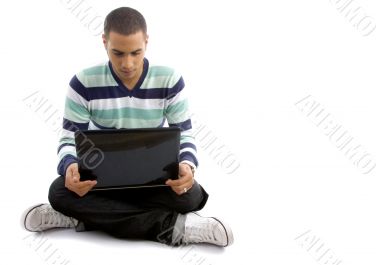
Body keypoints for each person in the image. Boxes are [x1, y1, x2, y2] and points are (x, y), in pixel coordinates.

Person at [21, 7, 233, 247]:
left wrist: (186, 165)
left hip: (154, 182)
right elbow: (69, 139)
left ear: (147, 42)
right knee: (59, 191)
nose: (128, 63)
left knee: (191, 196)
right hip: (101, 184)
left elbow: (185, 134)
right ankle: (173, 229)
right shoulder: (83, 83)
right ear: (104, 42)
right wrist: (70, 166)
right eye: (118, 53)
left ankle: (83, 218)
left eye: (136, 52)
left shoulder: (170, 80)